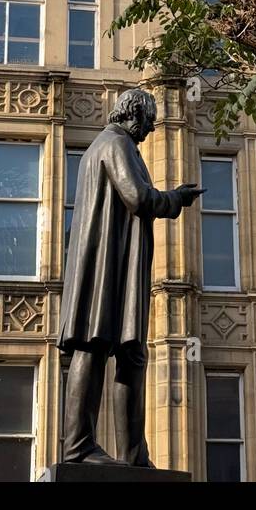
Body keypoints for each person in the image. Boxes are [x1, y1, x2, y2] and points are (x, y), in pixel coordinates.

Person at [58, 87, 203, 465]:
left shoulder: (109, 146)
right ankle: (78, 446)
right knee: (93, 346)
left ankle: (134, 456)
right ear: (133, 114)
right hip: (106, 266)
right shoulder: (114, 144)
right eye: (149, 122)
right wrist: (175, 199)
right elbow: (137, 198)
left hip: (120, 265)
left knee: (131, 353)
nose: (151, 130)